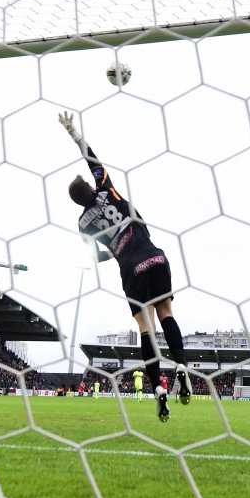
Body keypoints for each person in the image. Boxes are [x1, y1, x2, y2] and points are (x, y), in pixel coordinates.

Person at [59, 111, 192, 423]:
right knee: (167, 314)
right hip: (154, 255)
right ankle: (182, 365)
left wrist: (112, 254)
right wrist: (74, 133)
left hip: (130, 269)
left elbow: (98, 256)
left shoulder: (82, 223)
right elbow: (93, 160)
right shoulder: (107, 189)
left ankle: (158, 388)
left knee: (146, 329)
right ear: (91, 189)